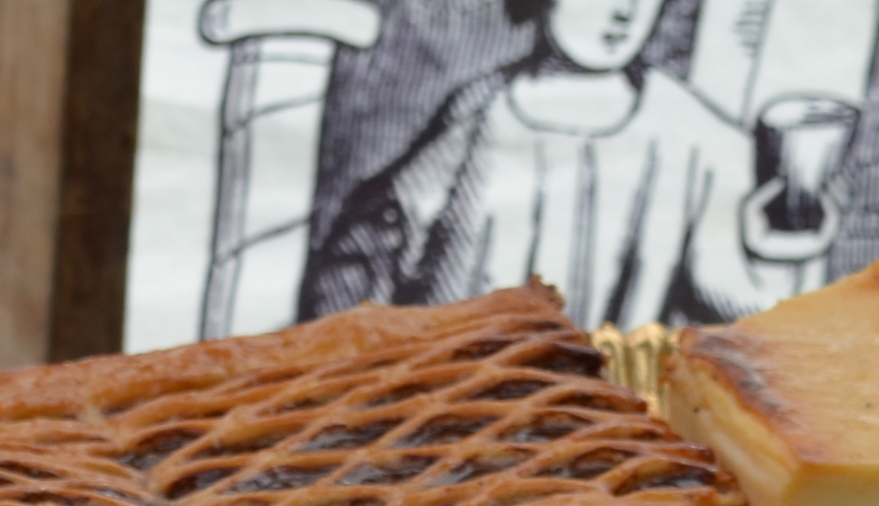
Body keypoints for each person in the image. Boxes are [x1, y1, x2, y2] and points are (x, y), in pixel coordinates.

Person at [308, 0, 835, 326]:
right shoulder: (481, 117)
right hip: (474, 411)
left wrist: (787, 226)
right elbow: (369, 254)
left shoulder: (697, 135)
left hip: (612, 423)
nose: (624, 11)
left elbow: (745, 303)